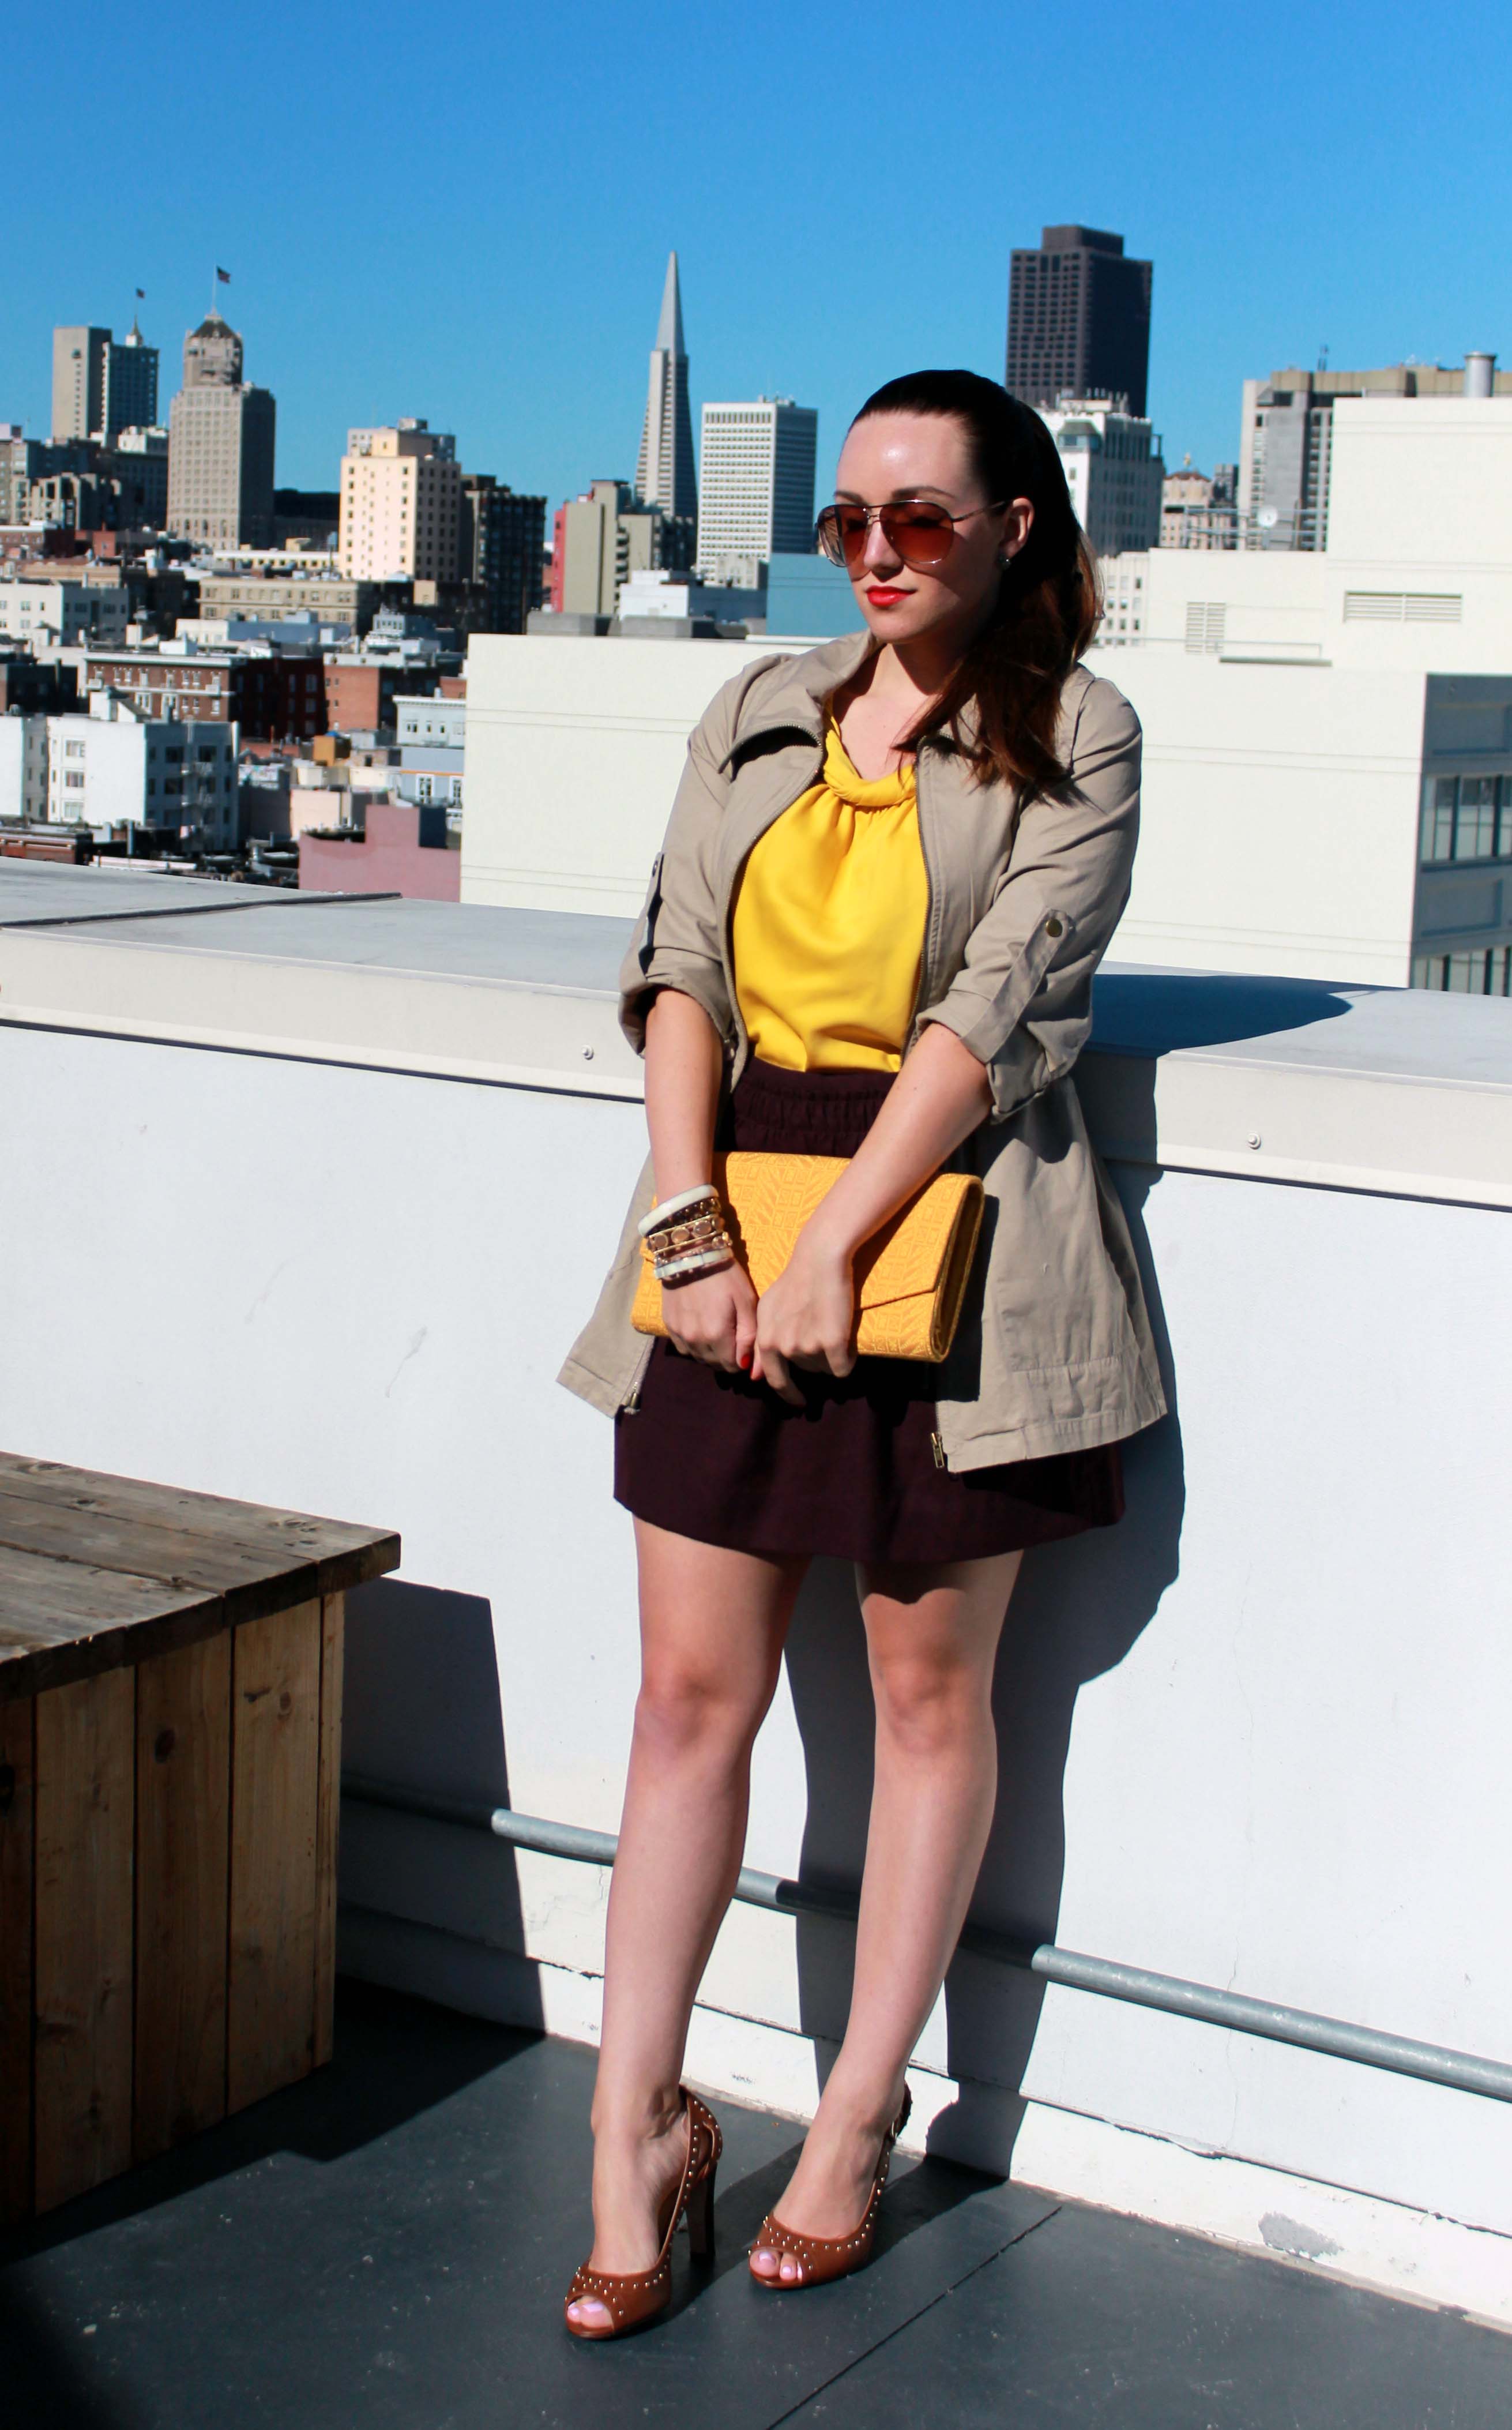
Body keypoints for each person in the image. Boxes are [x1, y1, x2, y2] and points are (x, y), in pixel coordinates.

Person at [557, 368, 1167, 2338]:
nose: (878, 554)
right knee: (685, 1702)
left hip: (948, 1232)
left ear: (1013, 527)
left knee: (925, 1696)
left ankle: (852, 2119)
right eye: (848, 522)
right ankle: (633, 2130)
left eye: (920, 519)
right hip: (727, 1220)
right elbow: (679, 963)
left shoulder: (1080, 730)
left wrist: (838, 1244)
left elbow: (1006, 1007)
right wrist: (693, 1229)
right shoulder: (760, 706)